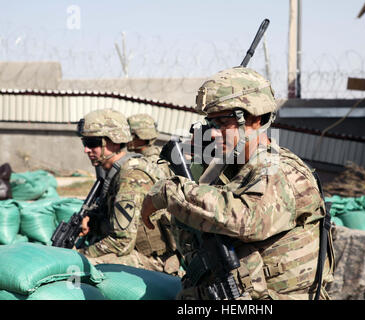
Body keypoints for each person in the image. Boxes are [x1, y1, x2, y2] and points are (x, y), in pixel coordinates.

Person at [141, 66, 335, 300]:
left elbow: (246, 219)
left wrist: (168, 192)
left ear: (254, 118)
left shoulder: (280, 169)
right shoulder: (234, 167)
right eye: (210, 124)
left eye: (223, 122)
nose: (212, 134)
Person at [76, 108, 170, 270]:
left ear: (114, 141)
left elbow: (122, 243)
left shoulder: (132, 175)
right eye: (85, 143)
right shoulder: (116, 172)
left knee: (80, 266)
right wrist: (92, 222)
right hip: (137, 252)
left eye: (92, 143)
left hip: (156, 261)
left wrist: (80, 254)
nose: (86, 149)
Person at [127, 113, 184, 277]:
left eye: (130, 134)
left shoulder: (145, 164)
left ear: (140, 136)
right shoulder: (162, 157)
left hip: (157, 242)